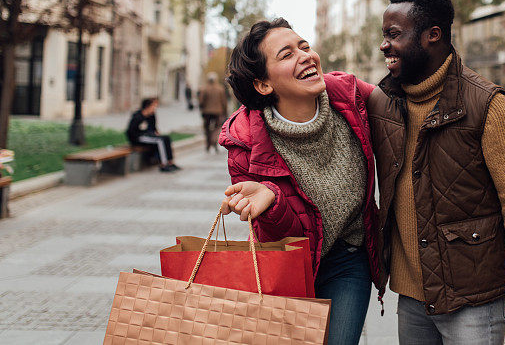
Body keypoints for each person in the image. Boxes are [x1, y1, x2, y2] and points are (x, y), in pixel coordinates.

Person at [368, 0, 505, 345]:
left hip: (475, 300)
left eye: (394, 34)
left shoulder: (486, 104)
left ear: (433, 35)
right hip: (413, 299)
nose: (384, 45)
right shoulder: (382, 103)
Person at [218, 18, 380, 345]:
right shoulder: (244, 142)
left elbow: (404, 112)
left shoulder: (350, 96)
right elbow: (280, 243)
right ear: (263, 84)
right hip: (288, 267)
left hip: (348, 259)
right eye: (287, 54)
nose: (305, 55)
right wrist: (272, 202)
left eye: (304, 46)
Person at [125, 98, 181, 172]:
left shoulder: (152, 116)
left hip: (149, 135)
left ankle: (170, 162)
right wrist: (134, 142)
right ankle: (164, 164)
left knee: (166, 138)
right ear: (147, 106)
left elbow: (154, 128)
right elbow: (130, 131)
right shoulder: (138, 116)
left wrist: (157, 133)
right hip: (138, 137)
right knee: (160, 141)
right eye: (153, 106)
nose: (155, 108)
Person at [198, 72, 227, 152]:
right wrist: (225, 112)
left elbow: (201, 101)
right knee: (217, 127)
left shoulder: (204, 89)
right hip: (218, 111)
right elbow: (224, 102)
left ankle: (208, 144)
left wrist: (201, 108)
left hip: (206, 112)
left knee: (207, 128)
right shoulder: (220, 89)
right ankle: (214, 141)